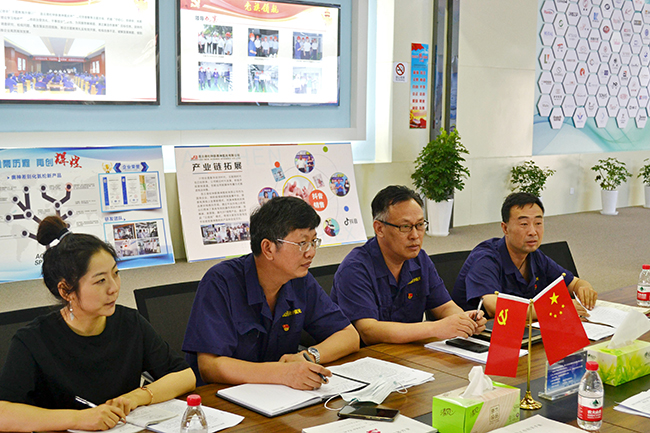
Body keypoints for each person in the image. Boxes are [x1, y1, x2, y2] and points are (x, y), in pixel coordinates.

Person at [0, 216, 195, 432]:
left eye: (115, 274)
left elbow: (185, 376)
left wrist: (136, 397)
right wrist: (79, 419)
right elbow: (3, 414)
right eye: (100, 280)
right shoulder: (33, 340)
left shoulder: (129, 323)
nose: (114, 288)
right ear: (66, 290)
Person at [183, 197, 359, 390]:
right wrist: (282, 373)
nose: (311, 252)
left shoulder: (299, 279)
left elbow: (349, 336)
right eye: (302, 243)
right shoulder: (221, 281)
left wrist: (308, 356)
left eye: (313, 241)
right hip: (223, 396)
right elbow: (210, 366)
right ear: (268, 248)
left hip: (281, 394)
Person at [330, 186, 486, 345]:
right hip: (369, 355)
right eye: (405, 227)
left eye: (420, 225)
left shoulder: (420, 259)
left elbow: (445, 307)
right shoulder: (355, 269)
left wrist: (464, 320)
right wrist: (435, 328)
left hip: (410, 352)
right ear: (379, 228)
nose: (415, 235)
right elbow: (368, 331)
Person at [451, 192, 598, 319]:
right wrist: (551, 309)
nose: (533, 232)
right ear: (505, 228)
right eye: (524, 224)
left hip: (521, 330)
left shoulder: (535, 256)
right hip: (476, 335)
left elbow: (574, 283)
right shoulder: (485, 258)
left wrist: (584, 288)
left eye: (538, 223)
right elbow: (493, 307)